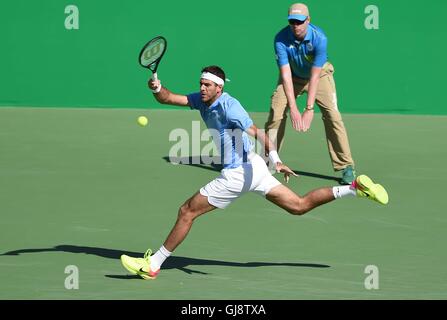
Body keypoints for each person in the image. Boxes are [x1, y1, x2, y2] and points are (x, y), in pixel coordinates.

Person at [120, 65, 388, 280]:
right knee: (298, 205)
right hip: (254, 168)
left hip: (238, 173)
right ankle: (354, 189)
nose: (202, 88)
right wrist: (156, 87)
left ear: (219, 88)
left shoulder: (230, 106)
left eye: (207, 85)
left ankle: (153, 264)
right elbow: (168, 97)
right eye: (201, 84)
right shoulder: (202, 101)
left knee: (187, 211)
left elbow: (260, 133)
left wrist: (277, 159)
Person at [265, 3, 356, 185]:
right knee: (276, 112)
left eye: (299, 22)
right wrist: (293, 108)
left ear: (308, 20)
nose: (296, 26)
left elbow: (314, 77)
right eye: (292, 22)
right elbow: (285, 75)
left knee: (333, 115)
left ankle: (346, 166)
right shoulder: (280, 39)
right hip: (293, 77)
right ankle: (269, 160)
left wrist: (308, 108)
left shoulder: (319, 38)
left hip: (319, 75)